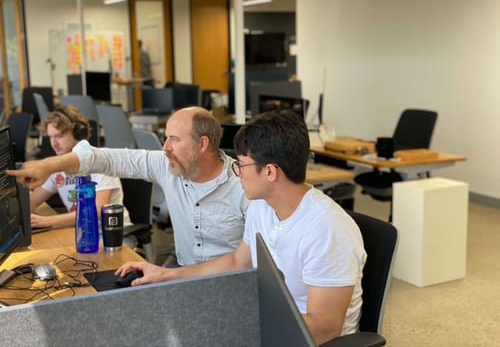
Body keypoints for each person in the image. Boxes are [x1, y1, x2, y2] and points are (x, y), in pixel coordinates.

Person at [114, 110, 367, 344]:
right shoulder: (263, 205)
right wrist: (164, 274)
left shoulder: (328, 229)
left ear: (270, 172)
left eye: (241, 165)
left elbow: (324, 329)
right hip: (267, 321)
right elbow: (238, 261)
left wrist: (236, 323)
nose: (236, 173)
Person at [9, 107, 248, 266]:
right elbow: (107, 158)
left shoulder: (244, 185)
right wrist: (49, 165)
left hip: (226, 280)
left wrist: (169, 274)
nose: (165, 148)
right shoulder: (167, 165)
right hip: (182, 271)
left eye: (174, 140)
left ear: (203, 144)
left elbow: (248, 262)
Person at [29, 104, 131, 229]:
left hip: (113, 235)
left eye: (59, 136)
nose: (54, 143)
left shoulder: (99, 163)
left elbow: (96, 212)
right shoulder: (58, 168)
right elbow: (31, 202)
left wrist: (47, 221)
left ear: (78, 134)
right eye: (51, 137)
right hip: (83, 234)